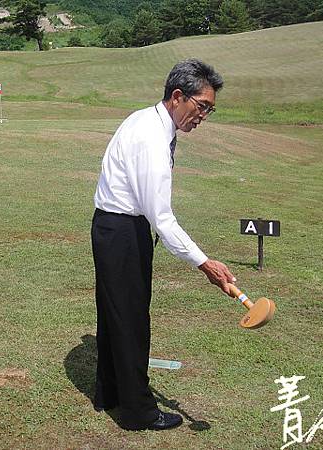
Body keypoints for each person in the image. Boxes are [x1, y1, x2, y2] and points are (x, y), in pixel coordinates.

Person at [91, 59, 236, 431]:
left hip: (114, 228)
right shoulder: (151, 137)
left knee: (116, 314)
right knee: (131, 319)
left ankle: (109, 391)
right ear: (177, 96)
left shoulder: (147, 119)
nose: (203, 116)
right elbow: (162, 218)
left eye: (210, 110)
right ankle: (138, 412)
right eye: (202, 106)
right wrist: (206, 264)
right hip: (122, 231)